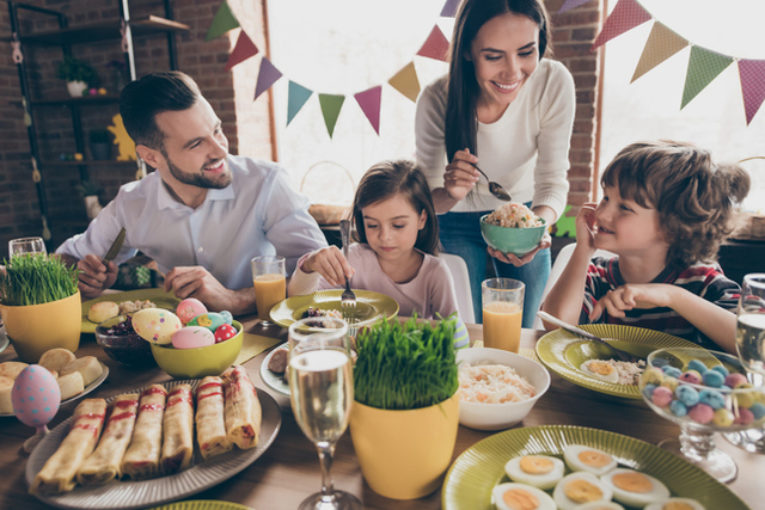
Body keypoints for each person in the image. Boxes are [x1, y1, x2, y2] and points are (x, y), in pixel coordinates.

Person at [56, 71, 327, 315]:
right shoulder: (132, 203)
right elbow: (65, 259)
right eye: (197, 143)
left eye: (217, 130)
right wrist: (83, 277)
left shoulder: (266, 183)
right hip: (170, 347)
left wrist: (236, 299)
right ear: (151, 157)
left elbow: (324, 277)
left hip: (264, 336)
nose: (221, 150)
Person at [415, 0, 575, 327]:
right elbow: (425, 202)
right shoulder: (436, 100)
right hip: (455, 221)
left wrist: (537, 229)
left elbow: (553, 181)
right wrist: (451, 192)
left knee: (529, 328)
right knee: (466, 329)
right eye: (493, 56)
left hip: (525, 216)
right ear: (467, 51)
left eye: (526, 52)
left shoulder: (553, 82)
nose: (513, 72)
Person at [542, 141, 750, 352]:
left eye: (624, 207)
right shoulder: (596, 275)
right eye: (606, 197)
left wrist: (672, 296)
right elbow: (555, 326)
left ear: (673, 226)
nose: (602, 214)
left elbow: (753, 346)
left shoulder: (703, 282)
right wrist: (583, 250)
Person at [288, 160, 459, 319]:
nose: (384, 237)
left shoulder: (435, 274)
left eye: (398, 225)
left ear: (422, 219)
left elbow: (454, 334)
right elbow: (300, 303)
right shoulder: (353, 259)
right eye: (372, 225)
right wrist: (309, 266)